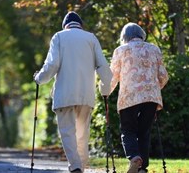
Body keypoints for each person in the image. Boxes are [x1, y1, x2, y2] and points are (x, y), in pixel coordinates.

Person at [34, 11, 112, 173]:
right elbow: (103, 66)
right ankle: (81, 166)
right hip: (86, 95)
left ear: (65, 25)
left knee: (67, 133)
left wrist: (39, 79)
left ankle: (76, 166)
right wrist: (106, 88)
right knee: (82, 133)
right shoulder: (91, 38)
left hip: (64, 94)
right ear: (80, 25)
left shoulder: (59, 37)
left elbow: (52, 64)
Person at [108, 22, 169, 173]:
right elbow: (164, 76)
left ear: (124, 37)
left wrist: (105, 93)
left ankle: (135, 158)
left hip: (129, 97)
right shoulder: (154, 49)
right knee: (144, 131)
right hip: (151, 97)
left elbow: (113, 77)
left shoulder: (121, 50)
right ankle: (142, 168)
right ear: (142, 35)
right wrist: (155, 88)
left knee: (128, 129)